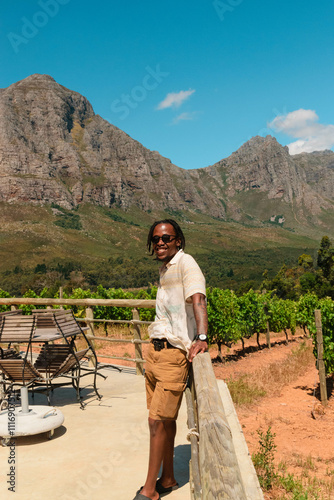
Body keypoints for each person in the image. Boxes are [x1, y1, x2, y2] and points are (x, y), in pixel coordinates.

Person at [133, 219, 208, 500]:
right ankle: (167, 478)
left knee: (156, 422)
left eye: (166, 238)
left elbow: (198, 299)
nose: (160, 243)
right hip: (155, 353)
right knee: (164, 420)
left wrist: (201, 337)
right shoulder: (165, 270)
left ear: (178, 240)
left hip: (174, 356)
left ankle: (150, 490)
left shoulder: (187, 264)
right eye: (156, 239)